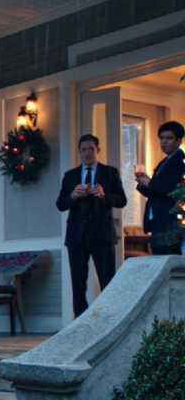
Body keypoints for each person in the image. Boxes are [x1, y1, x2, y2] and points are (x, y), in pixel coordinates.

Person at [56, 133, 127, 317]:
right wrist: (73, 196)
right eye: (83, 150)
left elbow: (122, 200)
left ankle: (109, 318)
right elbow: (60, 204)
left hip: (102, 234)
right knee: (78, 282)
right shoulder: (70, 176)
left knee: (107, 279)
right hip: (76, 235)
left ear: (98, 150)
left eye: (91, 149)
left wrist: (104, 196)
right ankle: (80, 321)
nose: (87, 153)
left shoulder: (110, 173)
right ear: (79, 151)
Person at [134, 121, 185, 255]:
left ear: (179, 140)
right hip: (158, 221)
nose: (164, 142)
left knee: (169, 263)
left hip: (171, 222)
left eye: (169, 138)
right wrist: (143, 185)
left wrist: (150, 183)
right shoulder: (164, 162)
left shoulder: (181, 162)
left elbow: (175, 190)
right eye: (162, 138)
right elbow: (157, 192)